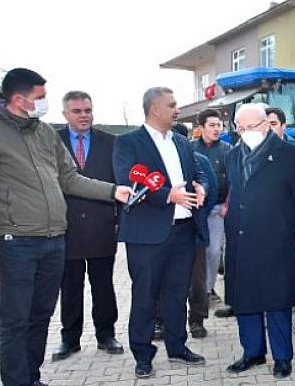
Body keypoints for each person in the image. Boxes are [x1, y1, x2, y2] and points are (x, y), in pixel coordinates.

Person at [0, 68, 132, 386]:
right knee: (14, 321)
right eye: (40, 97)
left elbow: (69, 177)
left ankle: (32, 377)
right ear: (19, 99)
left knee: (40, 316)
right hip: (14, 241)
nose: (44, 103)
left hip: (53, 240)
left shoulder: (43, 132)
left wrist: (112, 191)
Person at [113, 87, 208, 379]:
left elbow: (197, 171)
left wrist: (201, 185)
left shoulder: (181, 141)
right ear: (155, 109)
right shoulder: (128, 142)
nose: (177, 110)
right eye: (172, 105)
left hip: (183, 231)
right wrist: (169, 195)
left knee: (177, 293)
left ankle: (177, 346)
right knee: (145, 295)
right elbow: (129, 183)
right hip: (147, 235)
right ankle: (143, 355)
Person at [223, 104, 295, 378]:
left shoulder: (290, 155)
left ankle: (282, 357)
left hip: (275, 237)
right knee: (245, 298)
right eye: (240, 128)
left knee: (277, 299)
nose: (245, 132)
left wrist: (283, 222)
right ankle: (252, 351)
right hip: (241, 238)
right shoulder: (233, 155)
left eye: (250, 127)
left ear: (265, 125)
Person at [53, 91, 124, 361]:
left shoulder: (110, 142)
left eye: (87, 110)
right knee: (70, 288)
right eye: (77, 111)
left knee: (103, 285)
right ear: (65, 114)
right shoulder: (53, 141)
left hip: (102, 225)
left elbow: (119, 184)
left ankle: (106, 335)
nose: (84, 116)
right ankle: (69, 339)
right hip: (66, 227)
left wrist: (119, 221)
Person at [265, 106, 295, 334]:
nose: (269, 128)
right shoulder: (255, 151)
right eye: (265, 124)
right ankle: (273, 309)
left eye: (274, 124)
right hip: (265, 222)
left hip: (293, 221)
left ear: (284, 126)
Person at [172, 123, 217, 339]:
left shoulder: (199, 161)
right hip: (166, 231)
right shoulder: (158, 163)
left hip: (194, 230)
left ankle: (197, 320)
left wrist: (200, 211)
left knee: (197, 280)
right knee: (166, 280)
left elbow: (211, 189)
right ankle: (163, 321)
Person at [190, 109, 232, 313]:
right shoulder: (189, 149)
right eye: (212, 125)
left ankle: (207, 289)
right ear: (201, 128)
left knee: (214, 250)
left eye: (219, 125)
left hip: (217, 209)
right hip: (195, 210)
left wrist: (227, 205)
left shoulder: (227, 150)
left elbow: (234, 180)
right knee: (197, 252)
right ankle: (195, 290)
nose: (217, 129)